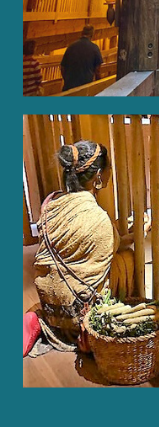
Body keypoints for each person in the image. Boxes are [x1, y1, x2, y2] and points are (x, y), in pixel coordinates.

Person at [32, 141, 117, 342]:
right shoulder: (97, 217)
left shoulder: (51, 203)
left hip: (50, 303)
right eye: (109, 168)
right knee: (126, 260)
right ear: (98, 176)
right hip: (78, 308)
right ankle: (90, 322)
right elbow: (111, 248)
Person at [60, 25, 103, 91]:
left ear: (82, 33)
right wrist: (99, 86)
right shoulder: (94, 48)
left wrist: (67, 80)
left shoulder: (71, 47)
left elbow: (62, 67)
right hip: (85, 88)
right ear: (92, 35)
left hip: (69, 88)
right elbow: (97, 70)